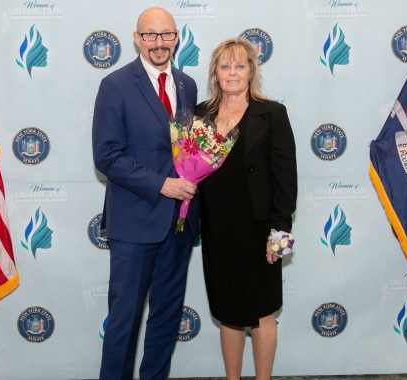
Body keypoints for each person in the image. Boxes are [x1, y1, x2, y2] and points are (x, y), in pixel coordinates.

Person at [91, 7, 199, 380]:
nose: (159, 43)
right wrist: (161, 184)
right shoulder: (116, 85)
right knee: (124, 323)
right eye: (150, 35)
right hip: (135, 224)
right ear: (136, 38)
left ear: (176, 38)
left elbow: (187, 153)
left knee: (167, 318)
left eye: (166, 35)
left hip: (179, 226)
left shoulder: (187, 84)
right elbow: (106, 155)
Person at [195, 38, 297, 380]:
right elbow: (188, 171)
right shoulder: (200, 115)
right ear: (215, 74)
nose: (233, 72)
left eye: (240, 65)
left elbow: (286, 179)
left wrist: (280, 233)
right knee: (228, 311)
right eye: (225, 66)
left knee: (263, 312)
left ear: (251, 71)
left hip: (261, 229)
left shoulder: (273, 114)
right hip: (217, 228)